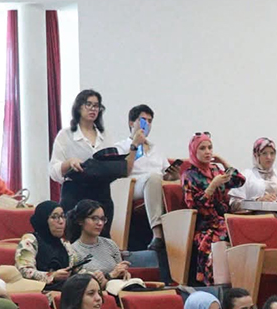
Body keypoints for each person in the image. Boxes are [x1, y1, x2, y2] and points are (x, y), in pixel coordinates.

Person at [50, 89, 143, 230]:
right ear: (79, 106)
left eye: (96, 106)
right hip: (75, 191)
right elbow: (53, 170)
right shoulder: (66, 134)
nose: (93, 109)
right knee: (74, 237)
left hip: (101, 192)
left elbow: (116, 167)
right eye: (89, 104)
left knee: (102, 239)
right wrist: (69, 162)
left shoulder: (105, 135)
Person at [179, 132, 243, 286]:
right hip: (204, 224)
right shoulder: (189, 175)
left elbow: (239, 180)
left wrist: (223, 162)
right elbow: (193, 206)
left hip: (223, 219)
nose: (207, 151)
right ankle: (215, 281)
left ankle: (240, 276)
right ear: (194, 152)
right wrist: (212, 186)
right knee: (225, 232)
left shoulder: (215, 169)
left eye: (210, 147)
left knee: (241, 229)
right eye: (202, 148)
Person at [119, 105, 180, 246]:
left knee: (177, 183)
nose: (146, 124)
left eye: (150, 121)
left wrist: (173, 176)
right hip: (132, 186)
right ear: (131, 123)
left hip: (155, 184)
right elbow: (123, 172)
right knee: (152, 178)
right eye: (142, 120)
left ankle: (180, 235)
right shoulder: (121, 146)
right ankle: (157, 233)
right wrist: (134, 145)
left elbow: (165, 175)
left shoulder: (156, 148)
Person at [67, 199, 131, 287]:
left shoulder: (110, 244)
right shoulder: (73, 251)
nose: (100, 223)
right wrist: (110, 275)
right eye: (94, 218)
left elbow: (119, 271)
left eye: (102, 219)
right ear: (80, 220)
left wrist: (123, 273)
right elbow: (82, 287)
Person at [16, 200, 76, 288]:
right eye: (54, 217)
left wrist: (95, 275)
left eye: (63, 216)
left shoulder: (64, 243)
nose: (61, 221)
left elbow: (77, 269)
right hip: (40, 290)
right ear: (43, 220)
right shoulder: (30, 240)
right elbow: (24, 271)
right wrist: (52, 276)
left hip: (66, 289)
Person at [229, 137, 277, 207]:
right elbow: (234, 205)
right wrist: (258, 201)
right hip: (260, 217)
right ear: (256, 155)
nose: (269, 157)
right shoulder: (245, 176)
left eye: (272, 153)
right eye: (264, 153)